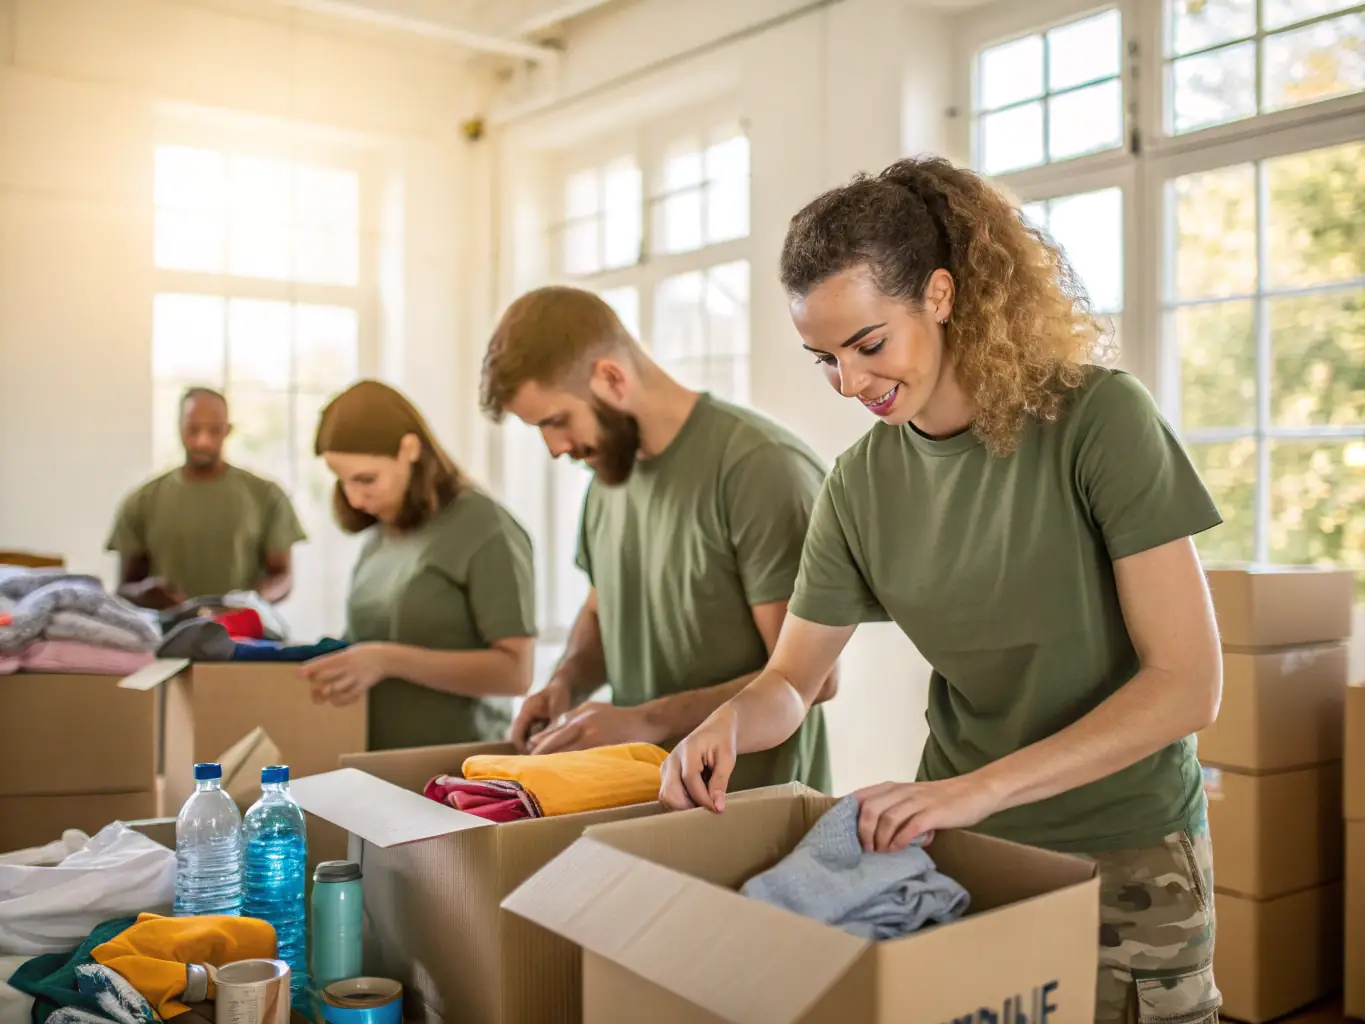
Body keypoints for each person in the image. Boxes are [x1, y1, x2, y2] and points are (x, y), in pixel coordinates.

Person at [660, 157, 1224, 1024]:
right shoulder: (858, 485)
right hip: (964, 852)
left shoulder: (1096, 421)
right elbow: (793, 680)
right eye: (822, 359)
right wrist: (725, 723)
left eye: (868, 345)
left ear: (940, 295)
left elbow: (1186, 685)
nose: (849, 384)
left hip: (1125, 853)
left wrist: (973, 789)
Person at [480, 286, 836, 793]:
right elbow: (604, 613)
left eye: (557, 421)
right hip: (641, 804)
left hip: (757, 815)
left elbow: (815, 679)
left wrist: (646, 720)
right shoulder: (608, 477)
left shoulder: (759, 469)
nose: (556, 447)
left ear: (611, 377)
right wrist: (564, 683)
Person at [300, 380, 536, 751]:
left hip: (458, 767)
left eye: (366, 479)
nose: (354, 498)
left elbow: (516, 673)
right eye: (342, 481)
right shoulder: (381, 535)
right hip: (374, 762)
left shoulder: (485, 529)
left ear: (409, 449)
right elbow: (361, 647)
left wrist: (387, 660)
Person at [107, 387, 306, 610]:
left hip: (244, 637)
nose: (202, 441)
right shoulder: (141, 501)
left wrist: (252, 601)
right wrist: (146, 593)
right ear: (179, 428)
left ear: (228, 430)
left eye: (214, 430)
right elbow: (125, 588)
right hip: (166, 636)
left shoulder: (267, 496)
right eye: (193, 429)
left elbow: (282, 576)